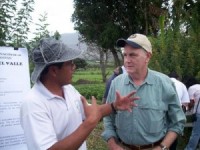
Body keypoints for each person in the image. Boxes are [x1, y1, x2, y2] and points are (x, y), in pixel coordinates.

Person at [20, 38, 139, 150]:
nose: (74, 67)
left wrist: (114, 106)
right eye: (70, 63)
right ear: (54, 71)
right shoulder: (33, 104)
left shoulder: (69, 90)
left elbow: (91, 112)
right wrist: (90, 123)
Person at [102, 33, 186, 150]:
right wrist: (112, 143)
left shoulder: (164, 84)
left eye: (133, 55)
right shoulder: (116, 83)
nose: (127, 60)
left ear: (147, 56)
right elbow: (108, 117)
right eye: (125, 55)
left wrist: (162, 147)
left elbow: (177, 122)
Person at [168, 72, 190, 150]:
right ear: (177, 78)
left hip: (163, 110)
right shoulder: (182, 85)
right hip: (177, 110)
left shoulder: (163, 82)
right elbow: (186, 102)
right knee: (174, 131)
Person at [185, 81, 200, 150]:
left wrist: (187, 109)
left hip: (199, 113)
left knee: (196, 133)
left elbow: (190, 102)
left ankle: (190, 148)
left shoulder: (192, 88)